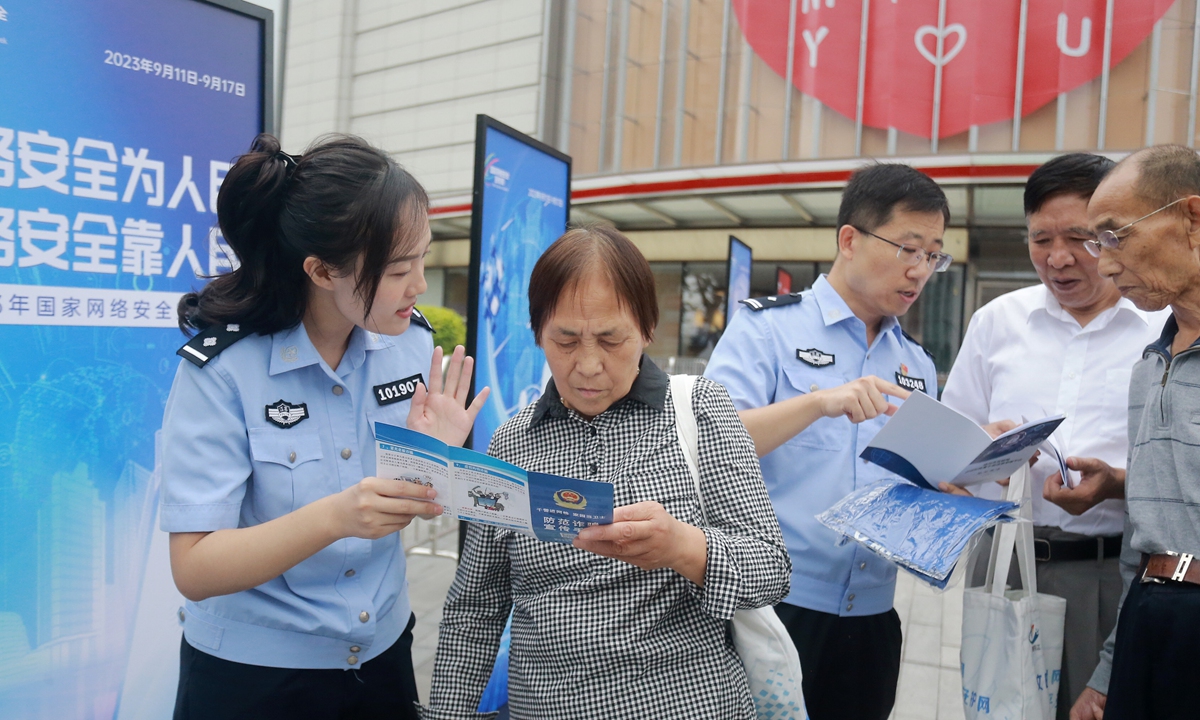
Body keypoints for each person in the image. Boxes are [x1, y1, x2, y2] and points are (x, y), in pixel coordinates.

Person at [160, 133, 488, 720]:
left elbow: (407, 493)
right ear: (321, 269)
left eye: (423, 259)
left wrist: (436, 460)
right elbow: (195, 567)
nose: (419, 286)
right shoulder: (224, 372)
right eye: (397, 269)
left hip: (383, 657)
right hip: (253, 681)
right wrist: (337, 516)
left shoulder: (411, 348)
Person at [424, 227, 791, 719]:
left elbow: (770, 569)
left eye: (610, 339)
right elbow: (477, 604)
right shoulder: (512, 442)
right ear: (537, 333)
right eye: (566, 340)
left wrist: (683, 547)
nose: (588, 365)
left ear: (646, 327)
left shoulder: (700, 409)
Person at [704, 163, 949, 720]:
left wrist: (970, 474)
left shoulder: (916, 364)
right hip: (775, 606)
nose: (920, 270)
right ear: (849, 240)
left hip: (873, 618)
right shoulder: (767, 328)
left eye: (933, 255)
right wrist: (818, 402)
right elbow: (712, 441)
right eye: (908, 249)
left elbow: (918, 487)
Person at [938, 153, 1169, 720]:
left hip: (1110, 569)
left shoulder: (1161, 329)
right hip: (1005, 562)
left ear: (1114, 237)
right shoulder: (998, 321)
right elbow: (950, 446)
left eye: (1080, 238)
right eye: (1040, 239)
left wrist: (1114, 485)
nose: (1058, 258)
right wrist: (975, 455)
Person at [1076, 144, 1200, 720]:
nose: (1102, 263)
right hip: (1149, 620)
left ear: (1192, 219)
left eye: (1114, 235)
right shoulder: (1149, 368)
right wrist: (1106, 672)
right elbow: (1141, 542)